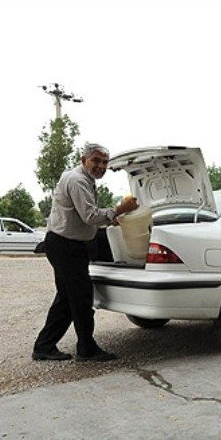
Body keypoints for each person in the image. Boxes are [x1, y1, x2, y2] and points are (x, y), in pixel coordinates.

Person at [32, 142, 138, 362]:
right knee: (80, 299)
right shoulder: (78, 180)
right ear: (84, 160)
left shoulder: (82, 179)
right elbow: (89, 216)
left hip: (66, 244)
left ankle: (44, 346)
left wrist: (111, 218)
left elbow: (85, 216)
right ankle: (86, 349)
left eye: (104, 162)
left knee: (66, 299)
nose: (101, 166)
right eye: (96, 160)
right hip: (66, 246)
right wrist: (118, 210)